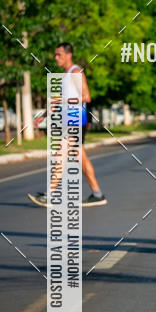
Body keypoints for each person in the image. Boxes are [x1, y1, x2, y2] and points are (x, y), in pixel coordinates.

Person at [28, 43, 106, 207]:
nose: (56, 58)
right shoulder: (66, 75)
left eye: (59, 55)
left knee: (61, 156)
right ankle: (97, 194)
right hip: (70, 121)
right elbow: (60, 101)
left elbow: (86, 97)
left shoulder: (76, 72)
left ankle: (50, 194)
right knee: (81, 160)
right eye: (55, 55)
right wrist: (44, 115)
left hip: (76, 121)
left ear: (69, 55)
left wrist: (63, 100)